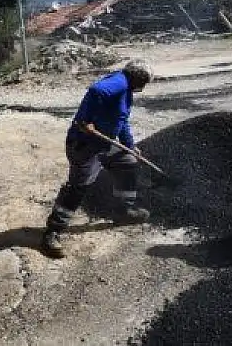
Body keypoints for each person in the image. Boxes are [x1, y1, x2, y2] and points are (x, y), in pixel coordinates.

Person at [41, 60, 154, 258]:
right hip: (84, 144)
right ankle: (53, 232)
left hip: (104, 143)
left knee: (127, 162)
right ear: (136, 77)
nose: (143, 88)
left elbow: (122, 120)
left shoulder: (126, 89)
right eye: (143, 83)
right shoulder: (119, 82)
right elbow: (95, 90)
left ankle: (123, 210)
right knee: (80, 185)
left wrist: (129, 144)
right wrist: (86, 121)